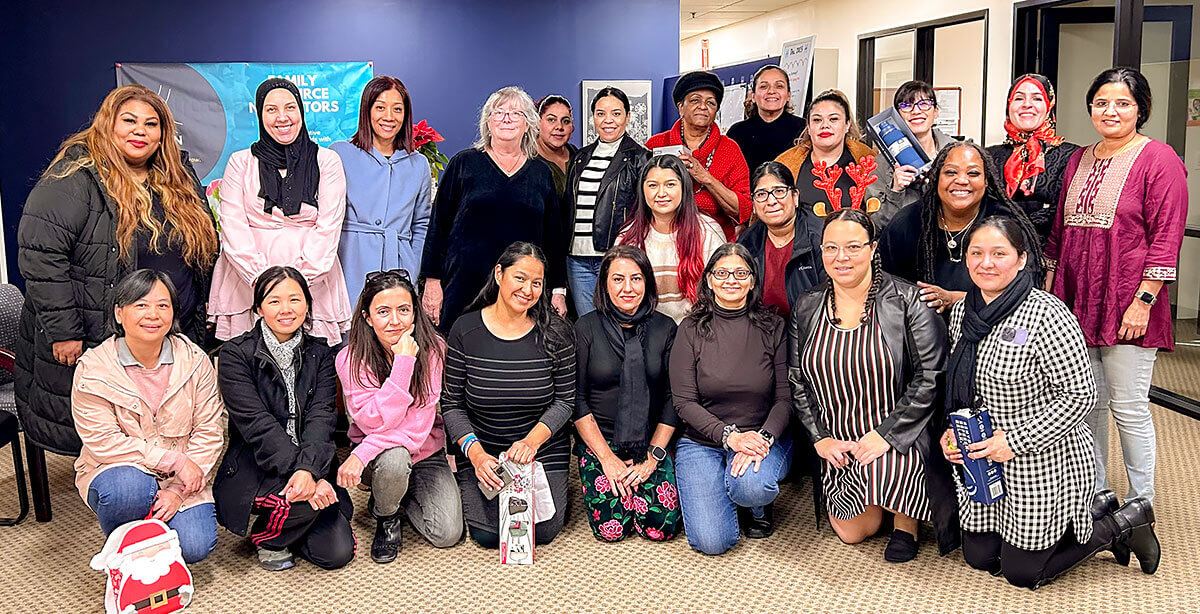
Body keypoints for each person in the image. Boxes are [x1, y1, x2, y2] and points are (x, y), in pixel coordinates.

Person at [942, 216, 1160, 588]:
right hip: (983, 457)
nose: (986, 263)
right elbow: (960, 385)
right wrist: (953, 433)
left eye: (999, 253)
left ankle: (1121, 523)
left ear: (1022, 259)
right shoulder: (964, 312)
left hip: (1040, 458)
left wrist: (1014, 441)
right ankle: (1094, 510)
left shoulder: (1048, 314)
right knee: (980, 558)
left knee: (1022, 573)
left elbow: (1081, 395)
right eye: (976, 253)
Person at [16, 84, 219, 457]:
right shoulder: (76, 176)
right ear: (108, 124)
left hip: (170, 327)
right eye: (129, 120)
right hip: (98, 331)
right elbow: (42, 256)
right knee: (113, 442)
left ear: (163, 134)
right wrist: (64, 331)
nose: (140, 131)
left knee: (165, 424)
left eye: (151, 123)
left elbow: (203, 246)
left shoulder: (178, 175)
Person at [1045, 67, 1188, 505]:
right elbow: (1058, 235)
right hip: (1075, 300)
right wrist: (1052, 297)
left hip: (1129, 301)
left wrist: (1143, 301)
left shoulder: (1159, 158)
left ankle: (1140, 502)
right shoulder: (1078, 159)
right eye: (1102, 102)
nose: (1111, 111)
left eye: (1123, 103)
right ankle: (1098, 495)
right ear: (1090, 108)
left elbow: (1167, 237)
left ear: (1140, 109)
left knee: (1128, 407)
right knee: (1086, 407)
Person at [787, 209, 956, 563]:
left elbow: (931, 374)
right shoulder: (807, 304)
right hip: (838, 432)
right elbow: (797, 379)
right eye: (831, 248)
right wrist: (820, 438)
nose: (841, 257)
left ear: (873, 247)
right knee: (853, 533)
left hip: (898, 428)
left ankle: (904, 523)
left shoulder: (907, 300)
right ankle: (876, 498)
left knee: (892, 469)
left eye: (853, 247)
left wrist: (887, 436)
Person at [72, 270, 224, 564]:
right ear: (119, 313)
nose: (153, 314)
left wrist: (178, 492)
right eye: (141, 305)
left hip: (180, 480)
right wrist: (175, 460)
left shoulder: (195, 361)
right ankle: (127, 553)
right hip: (120, 472)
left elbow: (209, 432)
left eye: (163, 305)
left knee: (195, 546)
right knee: (128, 491)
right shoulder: (94, 369)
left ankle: (152, 530)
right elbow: (103, 442)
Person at [215, 267, 355, 571]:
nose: (286, 309)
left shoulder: (321, 353)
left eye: (295, 299)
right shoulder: (235, 354)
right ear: (258, 307)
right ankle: (268, 536)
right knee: (302, 503)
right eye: (274, 301)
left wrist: (310, 469)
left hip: (311, 460)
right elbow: (257, 426)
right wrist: (306, 475)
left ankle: (289, 527)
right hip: (258, 464)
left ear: (307, 304)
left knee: (337, 553)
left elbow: (323, 418)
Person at [441, 242, 575, 548]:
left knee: (541, 532)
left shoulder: (557, 333)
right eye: (520, 278)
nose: (528, 290)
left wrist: (531, 442)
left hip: (540, 449)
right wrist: (475, 455)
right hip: (483, 448)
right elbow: (451, 404)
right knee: (488, 535)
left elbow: (565, 400)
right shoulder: (465, 329)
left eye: (537, 283)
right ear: (499, 274)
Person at [669, 243, 793, 555]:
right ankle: (728, 489)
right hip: (703, 441)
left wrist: (761, 439)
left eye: (741, 273)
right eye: (722, 273)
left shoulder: (774, 326)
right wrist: (731, 437)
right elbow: (684, 402)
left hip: (763, 437)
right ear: (709, 279)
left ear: (753, 280)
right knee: (713, 542)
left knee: (751, 487)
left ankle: (755, 505)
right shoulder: (690, 329)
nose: (731, 280)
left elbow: (785, 399)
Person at [209, 78, 351, 345]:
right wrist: (262, 281)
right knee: (250, 361)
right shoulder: (240, 162)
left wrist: (297, 283)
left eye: (290, 108)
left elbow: (329, 226)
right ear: (260, 115)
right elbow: (232, 225)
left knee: (312, 365)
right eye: (271, 109)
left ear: (301, 112)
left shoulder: (327, 161)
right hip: (246, 281)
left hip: (314, 278)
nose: (282, 117)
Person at [335, 269, 463, 562]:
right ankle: (386, 514)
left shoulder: (434, 351)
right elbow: (371, 422)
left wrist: (362, 451)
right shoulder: (350, 358)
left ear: (415, 313)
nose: (395, 321)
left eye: (403, 310)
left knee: (446, 533)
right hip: (380, 458)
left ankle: (395, 492)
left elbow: (418, 428)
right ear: (367, 317)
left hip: (425, 452)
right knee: (394, 458)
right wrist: (403, 364)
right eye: (383, 311)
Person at [421, 86, 568, 333]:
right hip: (465, 287)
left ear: (528, 124)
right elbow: (439, 226)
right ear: (488, 123)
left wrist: (558, 290)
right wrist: (432, 282)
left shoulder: (541, 172)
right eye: (498, 112)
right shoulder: (463, 163)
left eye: (515, 113)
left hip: (522, 291)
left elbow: (553, 238)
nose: (506, 118)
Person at [574, 245, 681, 543]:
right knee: (613, 529)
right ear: (604, 284)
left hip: (651, 440)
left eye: (636, 279)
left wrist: (653, 456)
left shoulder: (665, 327)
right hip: (602, 440)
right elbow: (577, 400)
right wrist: (607, 458)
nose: (627, 288)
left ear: (647, 282)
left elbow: (674, 398)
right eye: (618, 279)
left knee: (660, 527)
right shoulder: (585, 328)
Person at [879, 141, 1040, 314]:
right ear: (936, 178)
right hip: (921, 330)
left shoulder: (1007, 223)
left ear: (986, 181)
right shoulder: (907, 222)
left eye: (973, 173)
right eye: (950, 172)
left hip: (996, 329)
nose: (962, 180)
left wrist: (956, 299)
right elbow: (886, 288)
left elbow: (1025, 292)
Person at [331, 76, 432, 305]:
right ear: (367, 111)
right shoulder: (340, 154)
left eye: (397, 109)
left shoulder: (418, 164)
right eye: (380, 107)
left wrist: (412, 265)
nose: (389, 116)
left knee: (395, 332)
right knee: (352, 334)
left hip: (400, 265)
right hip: (351, 263)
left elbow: (422, 223)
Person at [563, 87, 652, 315]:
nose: (608, 120)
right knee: (589, 327)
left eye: (616, 113)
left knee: (619, 323)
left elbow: (644, 212)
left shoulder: (640, 158)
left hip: (615, 258)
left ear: (627, 117)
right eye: (600, 114)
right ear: (593, 118)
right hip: (577, 260)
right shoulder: (579, 157)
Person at [616, 156, 725, 322]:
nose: (661, 193)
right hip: (645, 330)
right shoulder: (628, 238)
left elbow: (722, 294)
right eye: (653, 185)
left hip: (697, 329)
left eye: (670, 184)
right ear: (642, 189)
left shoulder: (709, 231)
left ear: (684, 187)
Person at [645, 70, 751, 240]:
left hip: (715, 241)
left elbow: (743, 209)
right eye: (695, 100)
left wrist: (706, 178)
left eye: (711, 103)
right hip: (662, 239)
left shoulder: (729, 148)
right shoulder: (656, 144)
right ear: (681, 107)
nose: (703, 106)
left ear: (716, 110)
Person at [775, 89, 895, 232]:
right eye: (817, 120)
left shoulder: (867, 160)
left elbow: (883, 214)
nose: (825, 125)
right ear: (808, 126)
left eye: (833, 119)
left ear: (847, 125)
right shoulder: (786, 164)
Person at [986, 74, 1080, 244]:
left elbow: (1062, 213)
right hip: (994, 254)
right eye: (1019, 98)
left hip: (1048, 259)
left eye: (1037, 99)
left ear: (1049, 105)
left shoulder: (1073, 156)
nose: (1027, 105)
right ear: (1009, 106)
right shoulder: (989, 156)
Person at [736, 161, 825, 321]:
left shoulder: (820, 238)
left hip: (811, 331)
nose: (771, 201)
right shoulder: (747, 242)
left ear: (795, 196)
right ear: (754, 205)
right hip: (763, 332)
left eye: (779, 191)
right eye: (761, 194)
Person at [885, 81, 963, 212]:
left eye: (924, 104)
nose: (916, 111)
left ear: (936, 112)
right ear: (897, 116)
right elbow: (877, 224)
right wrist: (895, 190)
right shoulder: (881, 163)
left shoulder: (958, 153)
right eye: (906, 105)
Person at [727, 65, 806, 175]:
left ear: (788, 96)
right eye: (764, 86)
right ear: (753, 96)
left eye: (779, 86)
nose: (771, 91)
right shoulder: (737, 132)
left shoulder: (804, 129)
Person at [534, 94, 577, 199]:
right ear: (537, 123)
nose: (559, 127)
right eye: (551, 120)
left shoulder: (578, 156)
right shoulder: (527, 160)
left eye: (566, 121)